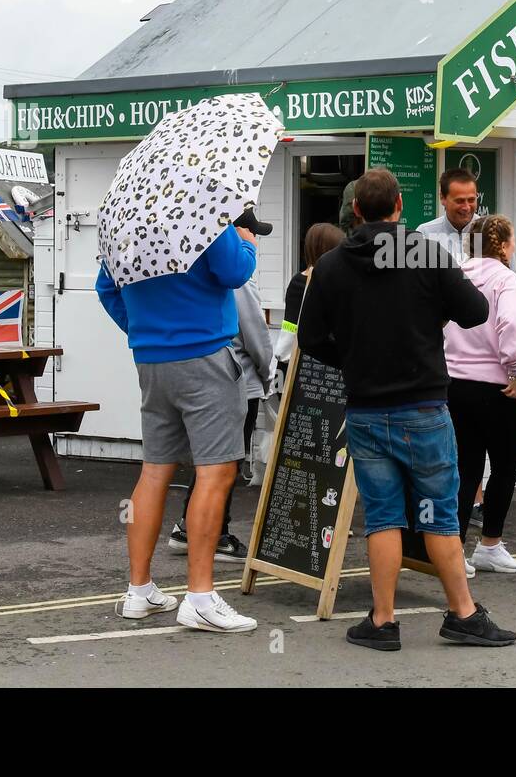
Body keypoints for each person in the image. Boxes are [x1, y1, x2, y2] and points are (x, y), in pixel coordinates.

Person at [298, 169, 516, 651]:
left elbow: (310, 338)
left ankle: (382, 620)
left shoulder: (332, 264)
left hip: (366, 409)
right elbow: (476, 312)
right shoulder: (423, 251)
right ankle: (463, 614)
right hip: (423, 403)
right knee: (438, 515)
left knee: (383, 517)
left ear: (356, 209)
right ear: (399, 207)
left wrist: (352, 358)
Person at [96, 219, 259, 633]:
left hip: (151, 358)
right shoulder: (203, 209)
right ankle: (201, 596)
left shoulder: (126, 221)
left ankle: (139, 590)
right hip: (205, 353)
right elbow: (234, 272)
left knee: (154, 470)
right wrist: (248, 243)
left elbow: (106, 286)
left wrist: (140, 329)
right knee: (217, 470)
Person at [444, 214, 516, 575]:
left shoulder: (454, 277)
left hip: (454, 384)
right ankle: (490, 544)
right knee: (507, 465)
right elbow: (511, 325)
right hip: (498, 387)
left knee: (465, 469)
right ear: (506, 245)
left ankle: (456, 552)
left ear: (469, 245)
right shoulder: (507, 281)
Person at [168, 276, 275, 558]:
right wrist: (268, 374)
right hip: (239, 378)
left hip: (198, 376)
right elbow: (255, 334)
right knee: (226, 466)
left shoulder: (193, 272)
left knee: (210, 461)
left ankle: (188, 527)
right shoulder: (238, 278)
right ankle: (217, 534)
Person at [275, 222, 345, 366]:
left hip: (319, 366)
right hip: (302, 368)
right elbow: (290, 328)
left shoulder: (332, 281)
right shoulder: (302, 284)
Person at [417, 168, 479, 265]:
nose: (466, 207)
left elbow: (509, 276)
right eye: (460, 201)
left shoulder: (493, 233)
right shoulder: (425, 234)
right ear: (442, 198)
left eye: (471, 200)